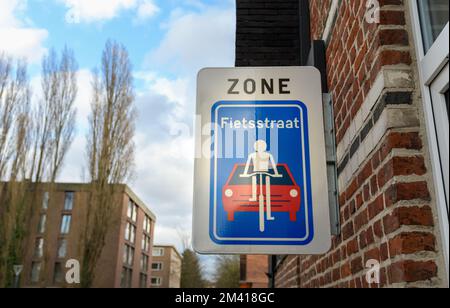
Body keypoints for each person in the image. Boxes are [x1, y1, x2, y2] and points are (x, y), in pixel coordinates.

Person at [241, 140, 281, 221]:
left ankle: (269, 215)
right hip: (256, 174)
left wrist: (276, 173)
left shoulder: (268, 155)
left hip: (266, 174)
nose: (260, 148)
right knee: (254, 180)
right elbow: (247, 165)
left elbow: (273, 165)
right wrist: (245, 173)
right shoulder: (252, 155)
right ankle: (253, 196)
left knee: (267, 194)